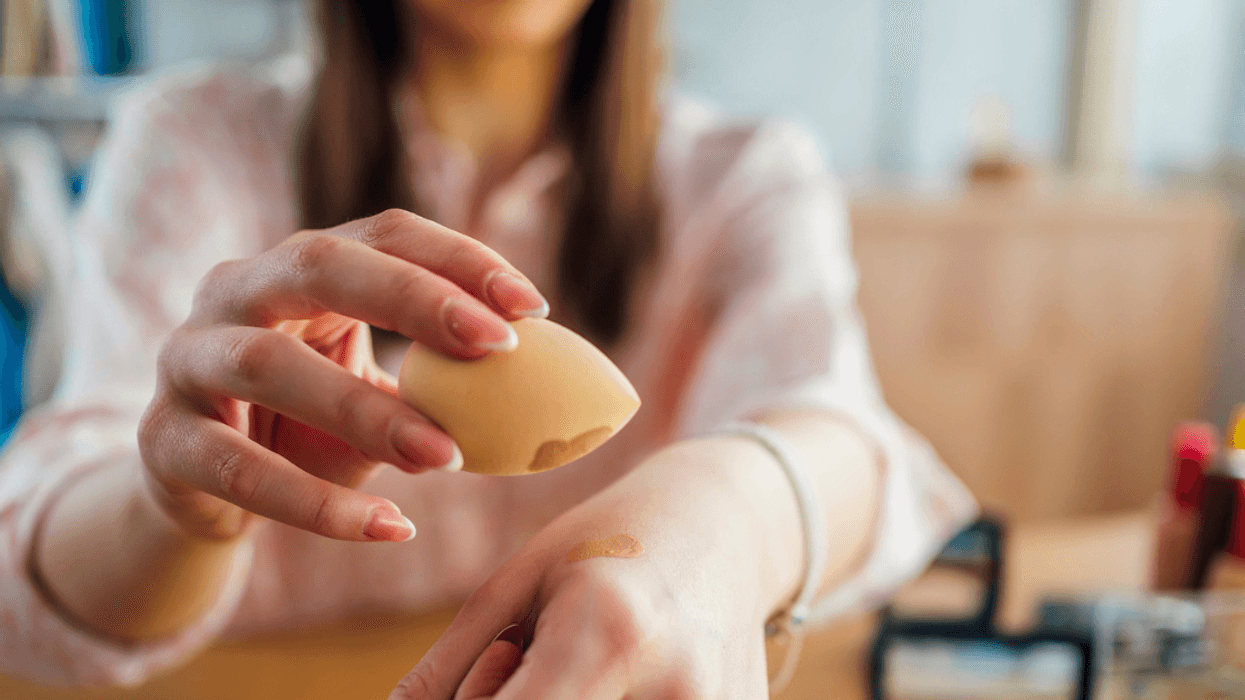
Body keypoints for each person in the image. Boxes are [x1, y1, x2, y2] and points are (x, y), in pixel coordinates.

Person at [0, 0, 976, 697]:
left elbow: (847, 440)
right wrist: (179, 505)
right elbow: (28, 582)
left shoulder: (744, 178)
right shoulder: (194, 142)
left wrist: (719, 516)